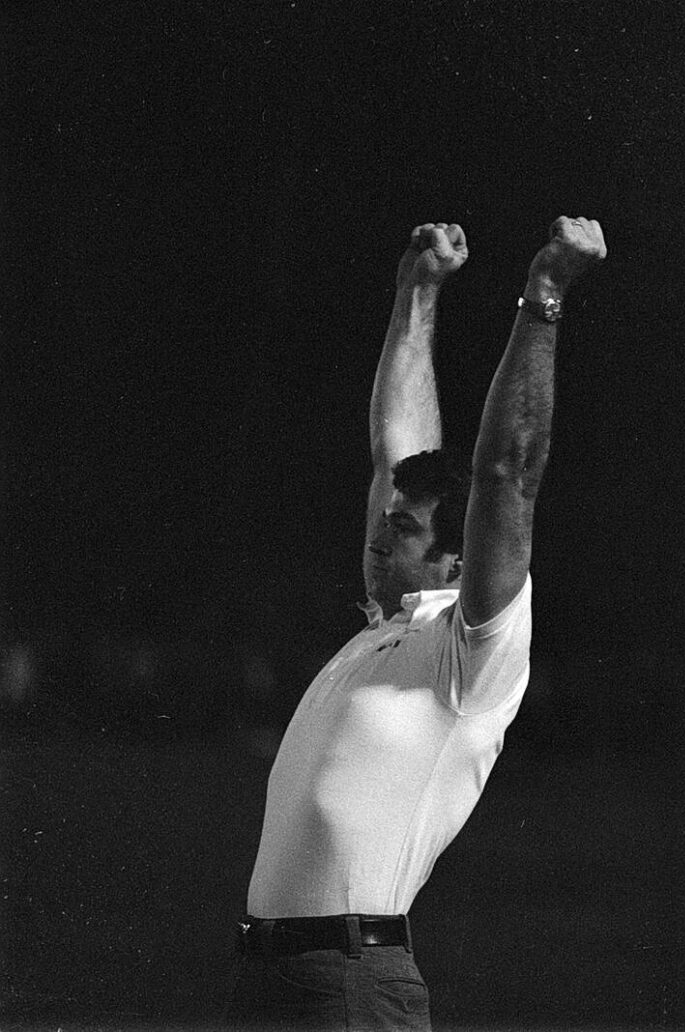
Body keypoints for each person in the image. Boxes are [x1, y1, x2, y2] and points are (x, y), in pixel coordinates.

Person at [227, 215, 607, 1030]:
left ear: (458, 562)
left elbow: (508, 473)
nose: (379, 530)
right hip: (271, 983)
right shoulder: (383, 627)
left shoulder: (466, 653)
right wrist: (416, 293)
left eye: (402, 528)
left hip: (350, 987)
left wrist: (543, 295)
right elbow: (394, 452)